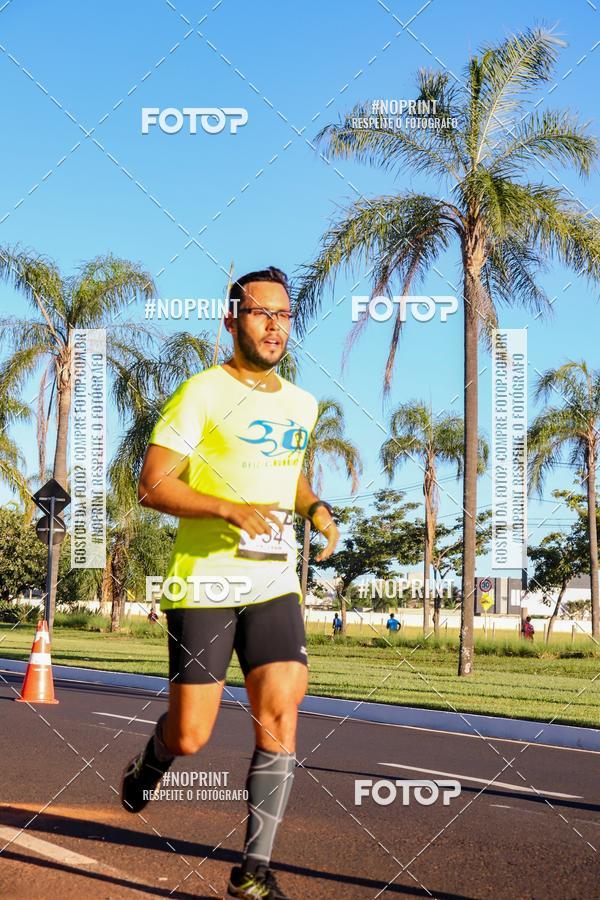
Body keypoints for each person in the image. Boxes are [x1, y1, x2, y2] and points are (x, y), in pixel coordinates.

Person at [120, 267, 339, 900]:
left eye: (284, 315)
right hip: (205, 586)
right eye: (260, 313)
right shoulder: (202, 393)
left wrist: (314, 507)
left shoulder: (301, 404)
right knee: (192, 734)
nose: (274, 325)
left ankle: (254, 871)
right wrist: (227, 507)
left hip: (273, 583)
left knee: (282, 711)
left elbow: (286, 468)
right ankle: (151, 761)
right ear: (232, 321)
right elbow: (154, 482)